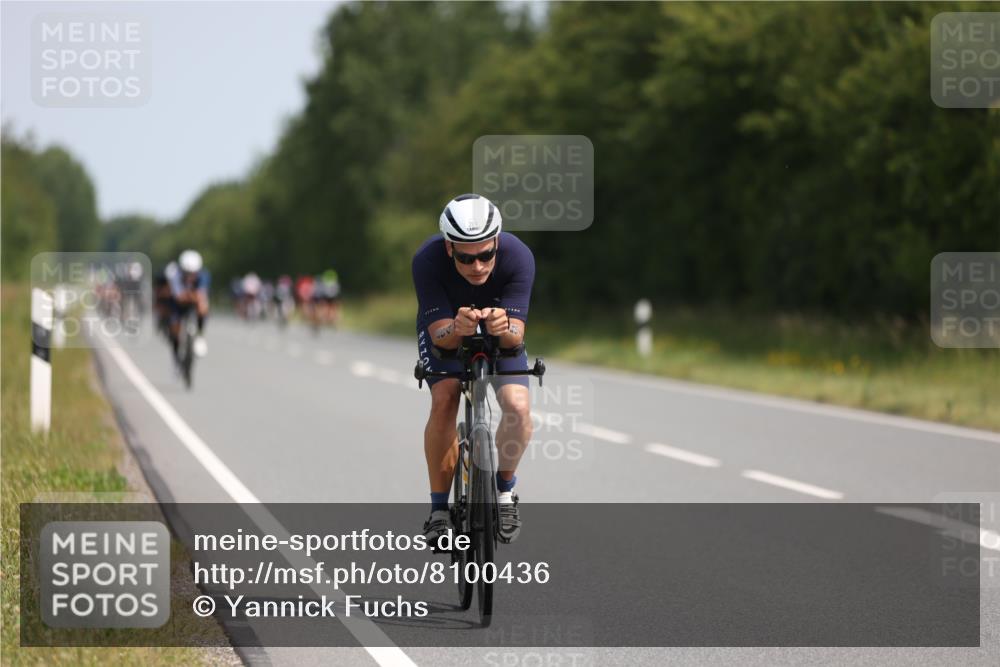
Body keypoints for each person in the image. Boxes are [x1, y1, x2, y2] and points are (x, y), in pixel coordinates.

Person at [412, 193, 535, 544]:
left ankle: (504, 494)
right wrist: (458, 329)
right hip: (448, 329)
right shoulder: (427, 260)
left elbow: (516, 337)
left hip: (500, 331)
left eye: (486, 255)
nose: (478, 266)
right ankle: (439, 511)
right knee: (445, 397)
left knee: (518, 407)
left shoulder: (519, 257)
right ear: (449, 248)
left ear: (497, 242)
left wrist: (502, 328)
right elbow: (441, 338)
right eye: (466, 258)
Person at [167, 250, 210, 361]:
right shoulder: (174, 275)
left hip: (193, 302)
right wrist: (191, 296)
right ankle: (176, 355)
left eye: (193, 273)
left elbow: (201, 295)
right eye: (187, 273)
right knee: (174, 327)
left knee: (203, 306)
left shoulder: (204, 276)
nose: (190, 276)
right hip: (178, 304)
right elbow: (179, 297)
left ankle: (200, 336)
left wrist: (193, 297)